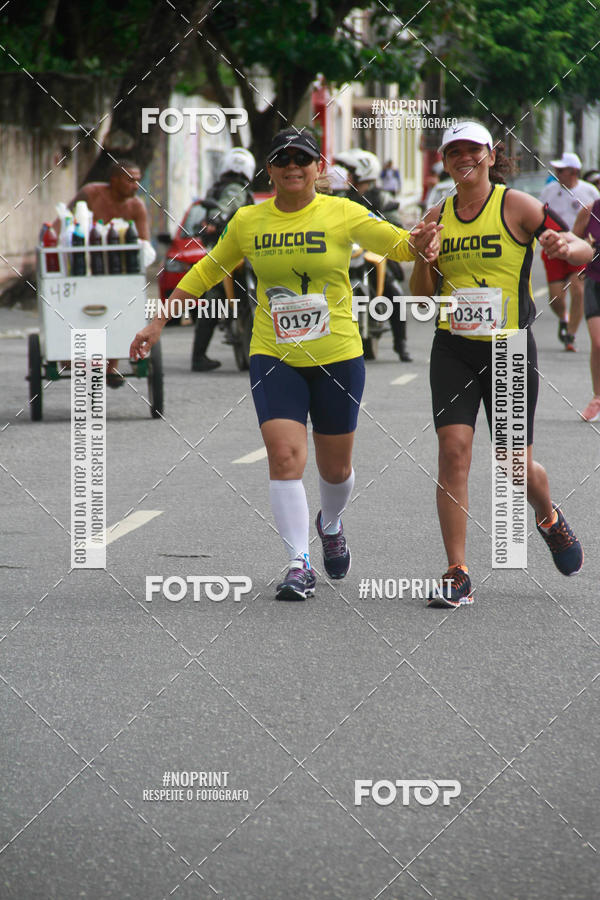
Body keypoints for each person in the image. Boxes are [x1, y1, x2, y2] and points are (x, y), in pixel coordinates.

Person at [131, 127, 441, 601]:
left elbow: (399, 245)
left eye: (303, 158)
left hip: (337, 355)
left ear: (319, 167)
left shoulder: (342, 212)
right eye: (283, 159)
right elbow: (210, 268)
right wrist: (158, 321)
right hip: (274, 354)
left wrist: (424, 239)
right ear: (270, 169)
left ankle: (331, 522)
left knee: (336, 471)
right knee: (284, 457)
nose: (293, 166)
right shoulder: (250, 220)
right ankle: (299, 561)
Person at [410, 121, 590, 608]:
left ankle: (548, 514)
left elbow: (583, 247)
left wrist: (562, 246)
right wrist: (422, 257)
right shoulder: (437, 214)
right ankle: (457, 571)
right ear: (445, 161)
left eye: (473, 149)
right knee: (453, 451)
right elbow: (421, 298)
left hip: (509, 348)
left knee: (514, 465)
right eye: (454, 152)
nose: (463, 158)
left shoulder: (516, 205)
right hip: (452, 347)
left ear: (492, 155)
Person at [59, 159, 151, 387]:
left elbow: (144, 244)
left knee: (117, 313)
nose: (135, 186)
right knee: (79, 313)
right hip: (84, 271)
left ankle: (110, 367)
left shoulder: (136, 206)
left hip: (118, 273)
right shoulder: (91, 194)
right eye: (130, 180)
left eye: (138, 180)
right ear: (114, 180)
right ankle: (73, 358)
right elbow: (64, 224)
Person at [336, 149, 413, 362]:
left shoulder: (383, 197)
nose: (348, 177)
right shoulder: (343, 197)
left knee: (395, 291)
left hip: (375, 254)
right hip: (347, 253)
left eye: (351, 172)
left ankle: (401, 343)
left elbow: (395, 225)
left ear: (363, 171)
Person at [190, 147, 256, 371]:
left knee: (213, 302)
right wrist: (212, 222)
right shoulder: (236, 189)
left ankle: (199, 356)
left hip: (230, 252)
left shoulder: (223, 188)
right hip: (232, 253)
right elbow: (226, 207)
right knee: (214, 299)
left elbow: (221, 209)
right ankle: (198, 358)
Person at [539, 152, 599, 351]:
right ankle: (563, 318)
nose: (557, 173)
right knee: (555, 298)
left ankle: (570, 335)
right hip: (554, 248)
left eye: (561, 170)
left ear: (574, 172)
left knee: (578, 289)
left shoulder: (589, 191)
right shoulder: (549, 191)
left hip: (579, 247)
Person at [573, 197, 600, 420]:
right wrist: (585, 251)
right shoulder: (590, 211)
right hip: (594, 282)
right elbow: (573, 242)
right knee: (598, 343)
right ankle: (597, 397)